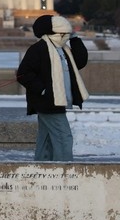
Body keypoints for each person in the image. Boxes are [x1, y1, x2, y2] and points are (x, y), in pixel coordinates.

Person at [17, 14, 89, 161]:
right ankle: (64, 169)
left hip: (57, 101)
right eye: (63, 34)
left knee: (47, 140)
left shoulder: (63, 49)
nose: (65, 37)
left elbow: (80, 61)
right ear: (53, 33)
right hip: (48, 102)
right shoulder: (39, 49)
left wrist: (75, 38)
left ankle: (43, 167)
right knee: (63, 137)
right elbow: (23, 74)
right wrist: (44, 90)